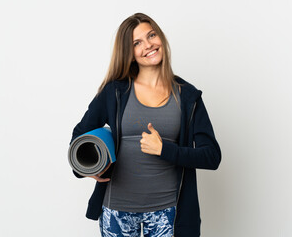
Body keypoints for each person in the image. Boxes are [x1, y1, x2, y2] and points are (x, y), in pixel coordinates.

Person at [70, 13, 221, 237]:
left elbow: (212, 157)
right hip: (117, 211)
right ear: (129, 54)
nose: (148, 45)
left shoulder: (188, 96)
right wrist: (85, 170)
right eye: (137, 43)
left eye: (152, 35)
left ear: (161, 37)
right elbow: (79, 137)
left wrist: (164, 149)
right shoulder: (114, 92)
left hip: (169, 213)